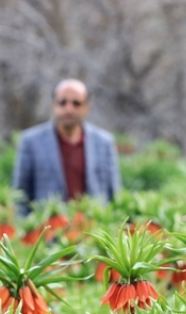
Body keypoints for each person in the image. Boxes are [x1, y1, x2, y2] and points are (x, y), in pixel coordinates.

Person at [12, 79, 121, 215]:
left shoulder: (104, 142)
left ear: (86, 107)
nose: (69, 109)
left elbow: (114, 193)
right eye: (62, 102)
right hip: (48, 230)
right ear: (53, 105)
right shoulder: (30, 141)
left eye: (76, 103)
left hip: (93, 229)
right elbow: (20, 194)